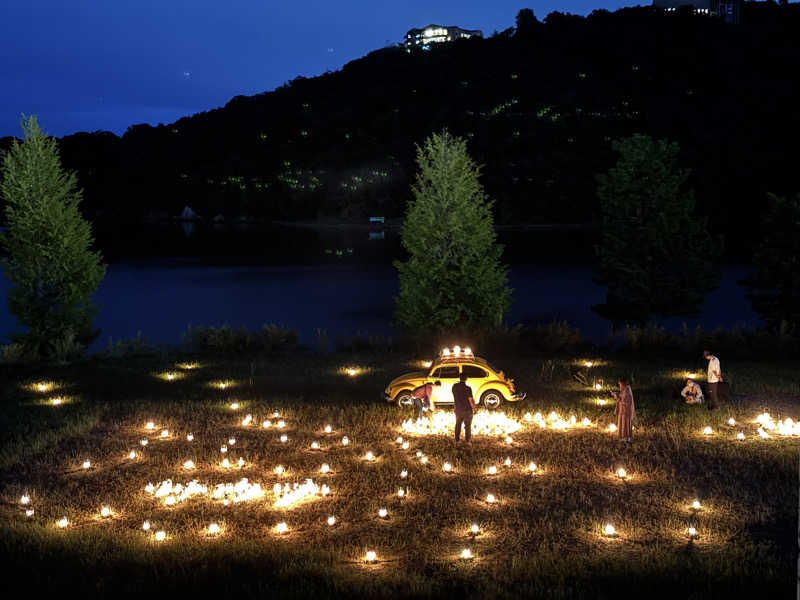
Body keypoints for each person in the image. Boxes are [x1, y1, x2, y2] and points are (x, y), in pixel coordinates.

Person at [452, 372, 476, 443]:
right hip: (467, 410)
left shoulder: (454, 387)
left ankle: (457, 440)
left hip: (458, 409)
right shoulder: (468, 388)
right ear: (466, 379)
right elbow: (470, 400)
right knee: (467, 426)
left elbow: (455, 397)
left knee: (458, 424)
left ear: (459, 378)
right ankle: (467, 441)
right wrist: (474, 408)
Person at [612, 377, 635, 443]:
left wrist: (616, 396)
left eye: (620, 385)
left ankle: (626, 438)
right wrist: (616, 394)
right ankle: (623, 437)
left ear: (624, 384)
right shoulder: (625, 390)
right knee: (622, 424)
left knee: (626, 424)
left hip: (626, 412)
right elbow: (621, 397)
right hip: (622, 412)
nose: (620, 386)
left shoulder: (627, 391)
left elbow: (624, 401)